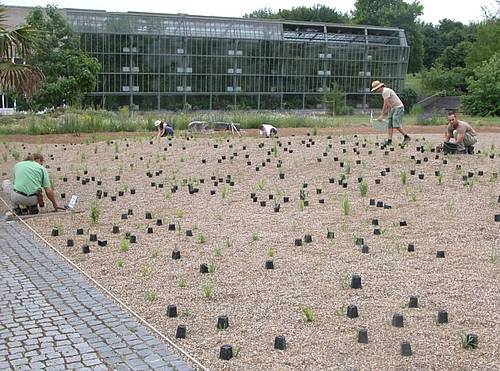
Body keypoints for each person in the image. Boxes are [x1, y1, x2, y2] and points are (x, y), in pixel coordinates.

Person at [371, 80, 411, 146]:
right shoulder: (384, 92)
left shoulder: (385, 91)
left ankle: (406, 137)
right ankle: (389, 140)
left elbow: (385, 103)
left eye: (376, 89)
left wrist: (382, 115)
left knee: (395, 124)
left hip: (398, 108)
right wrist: (389, 111)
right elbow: (389, 103)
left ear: (380, 87)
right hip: (393, 108)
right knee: (390, 124)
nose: (376, 91)